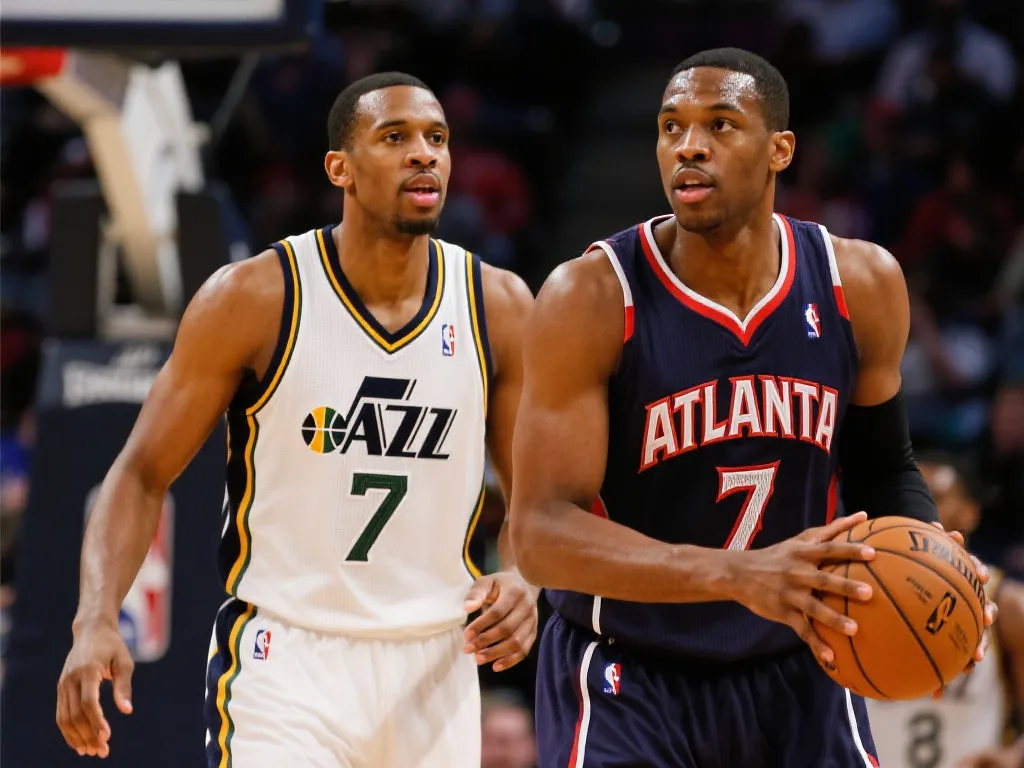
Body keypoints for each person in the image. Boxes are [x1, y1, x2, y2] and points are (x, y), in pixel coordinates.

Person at [509, 48, 997, 767]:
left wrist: (935, 567)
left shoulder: (859, 283)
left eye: (720, 124)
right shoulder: (591, 297)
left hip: (800, 665)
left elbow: (884, 468)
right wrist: (736, 574)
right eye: (671, 126)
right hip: (629, 673)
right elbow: (540, 534)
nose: (689, 145)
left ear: (780, 150)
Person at [55, 72, 539, 767]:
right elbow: (139, 474)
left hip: (437, 663)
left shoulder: (500, 306)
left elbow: (535, 496)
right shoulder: (254, 297)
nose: (423, 154)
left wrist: (524, 577)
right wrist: (95, 619)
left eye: (437, 138)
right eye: (394, 137)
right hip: (286, 661)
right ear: (340, 168)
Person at [867, 452, 1024, 768]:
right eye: (905, 498)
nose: (917, 510)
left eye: (934, 497)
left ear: (970, 513)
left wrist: (1014, 756)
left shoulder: (1006, 603)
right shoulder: (859, 592)